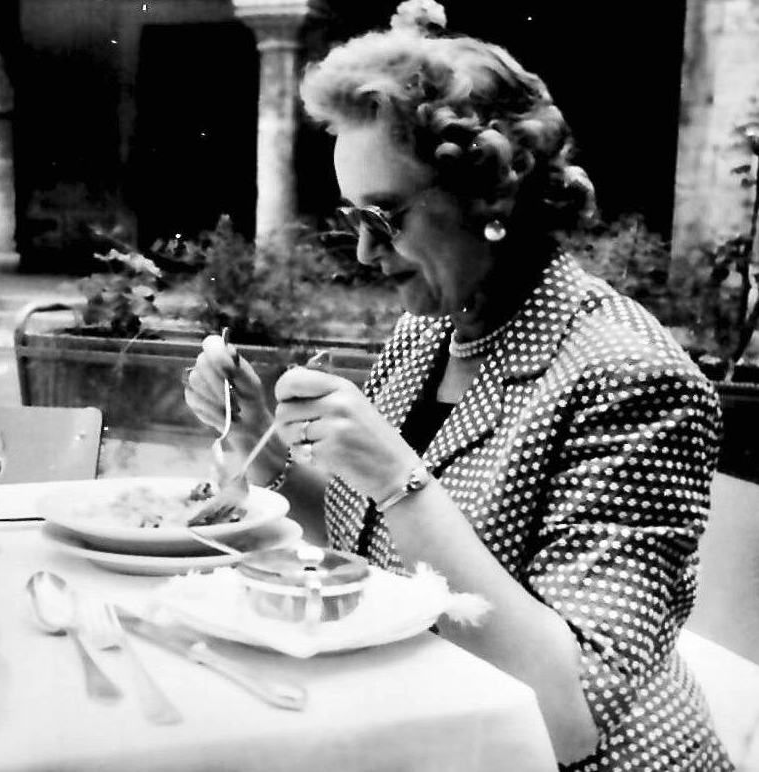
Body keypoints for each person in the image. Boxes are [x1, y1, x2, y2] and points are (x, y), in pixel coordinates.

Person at [182, 4, 730, 770]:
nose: (366, 252)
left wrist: (395, 478)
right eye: (353, 218)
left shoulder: (632, 379)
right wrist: (259, 449)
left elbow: (569, 715)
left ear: (489, 200)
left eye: (386, 216)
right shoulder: (432, 327)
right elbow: (375, 544)